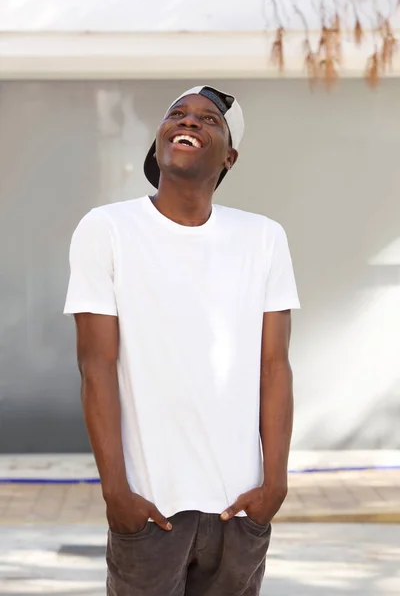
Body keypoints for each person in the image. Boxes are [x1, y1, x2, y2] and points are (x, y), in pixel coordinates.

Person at [64, 85, 300, 596]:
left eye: (208, 120)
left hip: (240, 508)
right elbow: (96, 367)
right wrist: (116, 494)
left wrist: (274, 484)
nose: (188, 122)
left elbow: (274, 365)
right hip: (149, 509)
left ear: (229, 156)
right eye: (177, 114)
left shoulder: (263, 238)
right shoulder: (106, 229)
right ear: (159, 138)